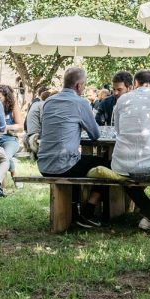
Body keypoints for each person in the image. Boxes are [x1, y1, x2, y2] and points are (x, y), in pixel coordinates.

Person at [38, 67, 105, 226]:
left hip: (44, 163)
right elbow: (95, 135)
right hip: (64, 164)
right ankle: (88, 212)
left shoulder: (49, 101)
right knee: (106, 166)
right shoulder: (81, 103)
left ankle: (73, 212)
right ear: (79, 86)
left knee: (75, 160)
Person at [111, 69, 150, 229]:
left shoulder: (123, 99)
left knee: (126, 177)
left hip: (120, 164)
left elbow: (118, 130)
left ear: (135, 83)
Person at [0, 84, 23, 185]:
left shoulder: (13, 107)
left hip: (10, 139)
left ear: (6, 97)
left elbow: (20, 126)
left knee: (6, 156)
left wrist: (4, 127)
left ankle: (13, 175)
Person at [23, 88, 52, 158]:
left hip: (30, 132)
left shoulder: (36, 103)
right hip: (36, 133)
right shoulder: (43, 105)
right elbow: (44, 120)